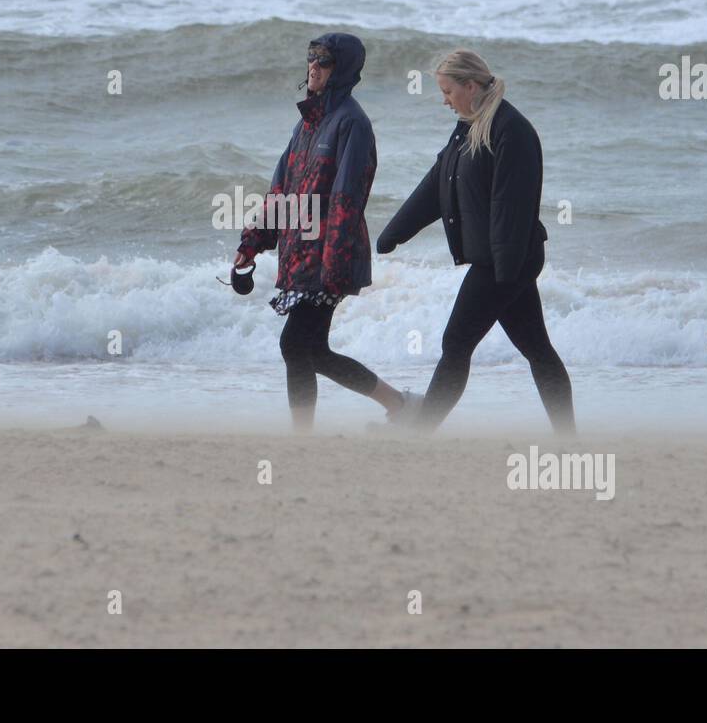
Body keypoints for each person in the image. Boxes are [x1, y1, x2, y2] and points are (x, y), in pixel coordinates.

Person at [375, 49, 574, 435]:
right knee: (537, 349)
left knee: (456, 342)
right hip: (501, 261)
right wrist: (394, 233)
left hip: (506, 261)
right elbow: (439, 183)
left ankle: (421, 430)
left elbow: (510, 205)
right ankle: (568, 437)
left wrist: (503, 270)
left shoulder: (510, 130)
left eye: (448, 91)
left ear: (470, 86)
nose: (444, 100)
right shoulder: (469, 125)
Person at [233, 33, 412, 432]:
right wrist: (253, 243)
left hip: (331, 256)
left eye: (324, 61)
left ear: (342, 70)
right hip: (301, 253)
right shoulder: (307, 124)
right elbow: (281, 189)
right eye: (310, 57)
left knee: (295, 345)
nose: (313, 66)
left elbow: (347, 199)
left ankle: (306, 436)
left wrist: (332, 263)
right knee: (310, 349)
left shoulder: (353, 123)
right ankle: (399, 405)